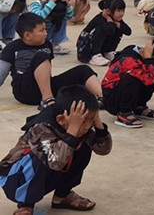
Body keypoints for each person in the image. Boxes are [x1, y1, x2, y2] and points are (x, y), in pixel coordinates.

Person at [0, 84, 112, 214]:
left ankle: (62, 196)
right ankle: (26, 204)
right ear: (61, 119)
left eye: (90, 120)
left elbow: (103, 149)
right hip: (15, 180)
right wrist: (73, 130)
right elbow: (55, 161)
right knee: (36, 158)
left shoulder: (82, 126)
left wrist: (96, 120)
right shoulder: (41, 128)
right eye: (84, 121)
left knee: (83, 146)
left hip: (50, 173)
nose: (87, 126)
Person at [0, 12, 104, 110]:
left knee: (83, 70)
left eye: (45, 30)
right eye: (41, 31)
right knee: (41, 56)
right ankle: (47, 100)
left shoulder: (47, 44)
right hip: (25, 91)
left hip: (46, 86)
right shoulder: (12, 48)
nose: (45, 33)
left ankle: (103, 97)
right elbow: (1, 73)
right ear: (27, 35)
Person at [100, 37, 154, 128]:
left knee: (151, 72)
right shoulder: (129, 59)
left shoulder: (148, 60)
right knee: (138, 76)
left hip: (125, 94)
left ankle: (139, 106)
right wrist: (149, 60)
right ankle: (123, 112)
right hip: (112, 99)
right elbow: (147, 78)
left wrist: (151, 62)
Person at [76, 0, 132, 67]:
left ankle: (108, 52)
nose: (122, 14)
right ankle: (95, 55)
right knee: (103, 29)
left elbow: (128, 31)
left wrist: (118, 24)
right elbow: (110, 31)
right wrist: (109, 19)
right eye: (119, 11)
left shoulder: (116, 20)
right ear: (108, 11)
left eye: (123, 11)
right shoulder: (100, 19)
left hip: (101, 49)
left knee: (119, 27)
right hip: (85, 51)